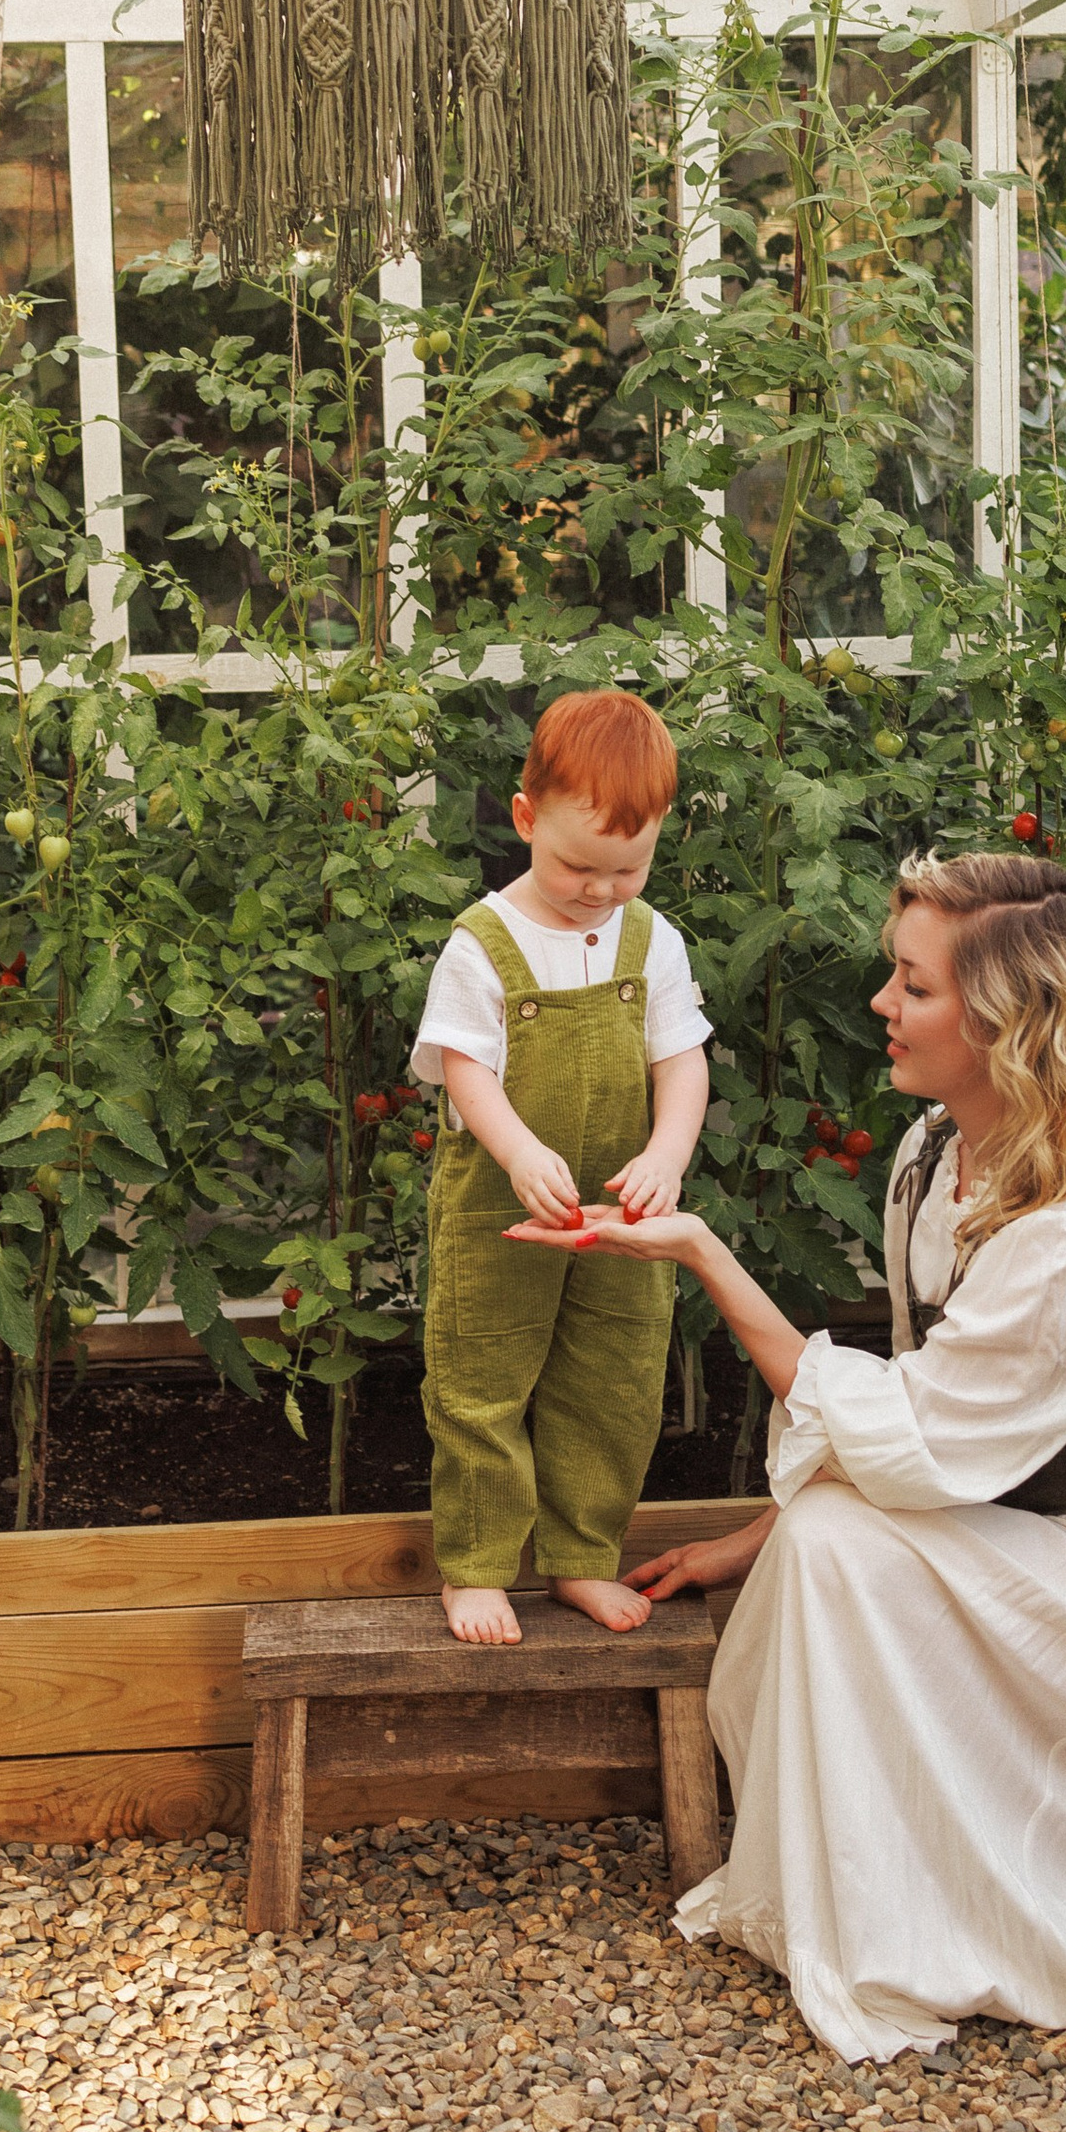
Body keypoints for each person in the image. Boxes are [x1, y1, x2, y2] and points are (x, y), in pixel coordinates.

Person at [512, 850, 1066, 2062]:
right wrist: (752, 1543)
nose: (882, 1007)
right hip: (1024, 1523)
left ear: (1012, 1023)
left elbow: (914, 1437)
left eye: (913, 986)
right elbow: (918, 1411)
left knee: (839, 1549)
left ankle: (944, 1907)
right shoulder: (929, 1158)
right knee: (823, 1544)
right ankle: (886, 1881)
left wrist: (703, 1256)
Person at [413, 690, 711, 1647]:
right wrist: (519, 1149)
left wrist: (667, 1154)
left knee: (613, 1383)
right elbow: (465, 1071)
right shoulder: (483, 942)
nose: (599, 889)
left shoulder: (650, 937)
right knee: (481, 1382)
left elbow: (681, 1060)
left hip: (619, 1216)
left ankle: (582, 1557)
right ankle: (477, 1569)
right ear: (525, 818)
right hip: (501, 1210)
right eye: (579, 864)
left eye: (629, 868)